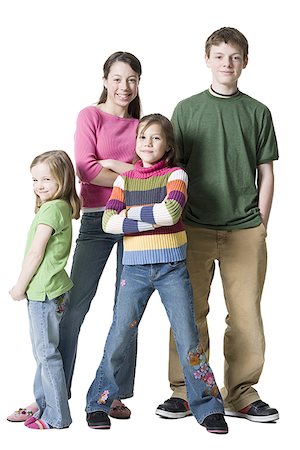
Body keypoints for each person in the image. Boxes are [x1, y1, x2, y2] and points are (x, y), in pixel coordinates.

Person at [7, 51, 142, 423]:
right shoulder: (91, 116)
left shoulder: (142, 125)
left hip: (134, 222)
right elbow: (85, 168)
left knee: (126, 311)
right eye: (117, 78)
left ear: (138, 83)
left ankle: (112, 391)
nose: (124, 87)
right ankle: (51, 395)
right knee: (72, 308)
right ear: (105, 80)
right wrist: (125, 171)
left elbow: (148, 176)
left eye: (131, 79)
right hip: (99, 220)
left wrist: (111, 167)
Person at [156, 27, 279, 423]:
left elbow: (266, 171)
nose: (228, 63)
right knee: (188, 312)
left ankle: (242, 393)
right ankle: (186, 389)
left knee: (245, 315)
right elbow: (173, 169)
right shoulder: (187, 109)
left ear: (245, 62)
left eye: (235, 56)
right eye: (220, 55)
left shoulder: (258, 112)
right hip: (192, 227)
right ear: (207, 59)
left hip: (244, 229)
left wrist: (261, 222)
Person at [85, 113, 228, 434]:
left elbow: (172, 211)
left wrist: (130, 214)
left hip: (171, 269)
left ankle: (206, 405)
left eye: (155, 138)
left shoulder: (176, 175)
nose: (147, 143)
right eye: (142, 137)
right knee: (119, 334)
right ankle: (98, 402)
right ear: (135, 143)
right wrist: (148, 215)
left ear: (167, 145)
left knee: (188, 335)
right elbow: (109, 223)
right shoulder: (124, 181)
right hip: (133, 270)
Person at [9, 150, 81, 429]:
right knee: (47, 350)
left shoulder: (51, 209)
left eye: (46, 179)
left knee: (46, 353)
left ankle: (57, 416)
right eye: (35, 179)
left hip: (43, 292)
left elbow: (35, 253)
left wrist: (19, 286)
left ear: (62, 179)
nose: (39, 185)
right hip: (57, 289)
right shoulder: (60, 206)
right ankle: (43, 404)